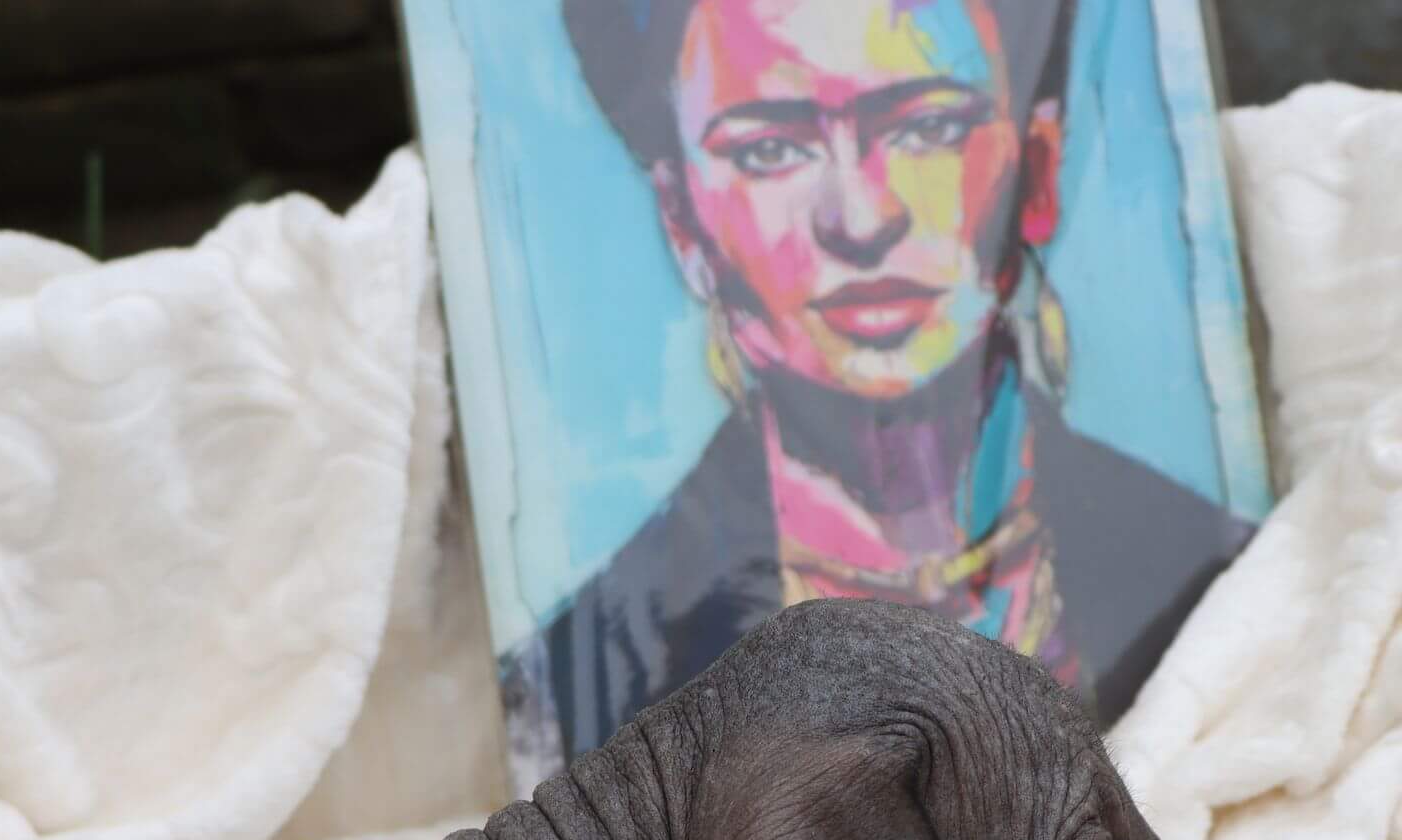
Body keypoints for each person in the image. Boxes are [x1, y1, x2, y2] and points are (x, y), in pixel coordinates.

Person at [515, 0, 1254, 764]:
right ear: (683, 221)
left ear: (1035, 169)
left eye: (927, 129)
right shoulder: (576, 681)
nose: (862, 219)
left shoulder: (1236, 585)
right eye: (770, 149)